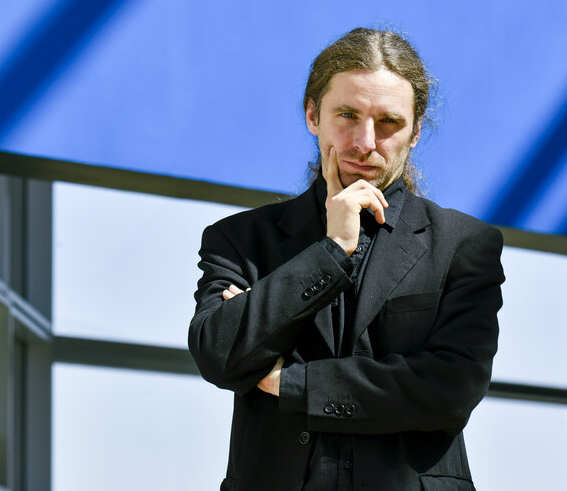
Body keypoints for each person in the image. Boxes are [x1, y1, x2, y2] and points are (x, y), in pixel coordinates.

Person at [188, 28, 504, 491]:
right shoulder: (239, 239)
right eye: (348, 115)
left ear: (416, 132)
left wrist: (293, 384)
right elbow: (218, 353)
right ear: (313, 114)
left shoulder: (464, 245)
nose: (365, 142)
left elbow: (451, 387)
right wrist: (330, 252)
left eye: (389, 122)